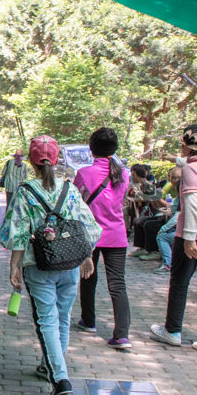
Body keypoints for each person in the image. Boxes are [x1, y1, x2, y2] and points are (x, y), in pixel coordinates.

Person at [0, 135, 100, 395]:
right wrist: (87, 256)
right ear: (55, 160)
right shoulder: (69, 189)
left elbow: (18, 231)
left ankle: (60, 379)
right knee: (62, 317)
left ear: (31, 162)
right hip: (69, 263)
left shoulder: (25, 191)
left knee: (47, 321)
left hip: (39, 263)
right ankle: (50, 367)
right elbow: (86, 225)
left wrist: (14, 265)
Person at [150, 123, 197, 357]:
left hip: (194, 237)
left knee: (179, 283)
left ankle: (172, 330)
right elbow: (192, 165)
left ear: (188, 145)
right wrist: (175, 159)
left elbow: (193, 205)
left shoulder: (191, 172)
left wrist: (190, 238)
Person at [72, 127, 132, 349]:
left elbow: (76, 204)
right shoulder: (123, 173)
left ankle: (88, 320)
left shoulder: (84, 173)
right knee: (118, 284)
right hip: (117, 234)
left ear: (91, 148)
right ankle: (122, 334)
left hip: (91, 234)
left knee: (88, 277)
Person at [153, 167, 184, 275]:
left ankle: (168, 264)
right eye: (173, 178)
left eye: (178, 178)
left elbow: (178, 216)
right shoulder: (178, 194)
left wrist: (163, 229)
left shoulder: (183, 196)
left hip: (183, 230)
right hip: (179, 227)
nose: (175, 180)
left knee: (161, 236)